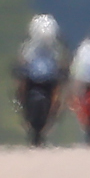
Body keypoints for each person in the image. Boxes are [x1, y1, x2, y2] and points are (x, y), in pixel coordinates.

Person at [14, 14, 68, 143]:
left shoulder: (57, 49)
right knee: (20, 88)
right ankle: (21, 106)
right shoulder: (28, 48)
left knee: (59, 94)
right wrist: (20, 68)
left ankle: (54, 113)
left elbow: (62, 63)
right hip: (32, 80)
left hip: (50, 80)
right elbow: (22, 61)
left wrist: (63, 70)